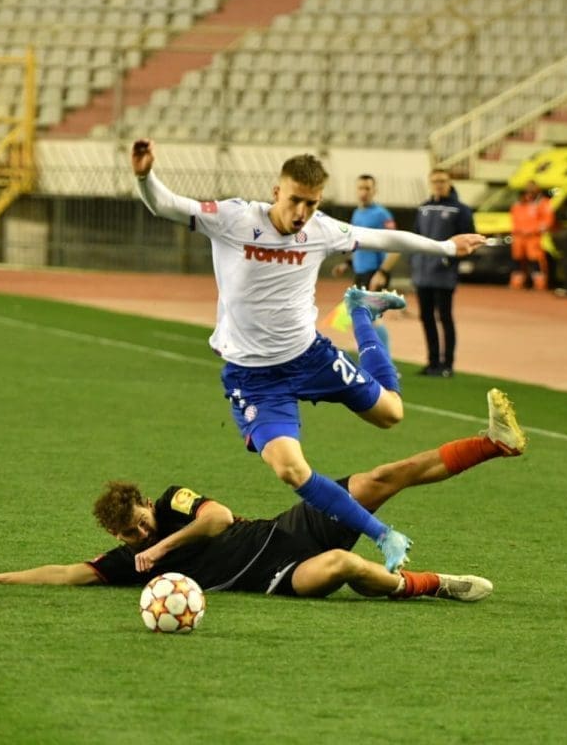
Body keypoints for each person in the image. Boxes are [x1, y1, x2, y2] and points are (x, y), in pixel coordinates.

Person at [130, 140, 486, 571]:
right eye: (295, 199)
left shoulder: (320, 230)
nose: (302, 212)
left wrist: (447, 247)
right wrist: (145, 176)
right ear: (276, 191)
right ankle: (383, 534)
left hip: (309, 357)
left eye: (312, 203)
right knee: (291, 470)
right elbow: (165, 205)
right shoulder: (234, 219)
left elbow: (383, 237)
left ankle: (360, 314)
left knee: (391, 414)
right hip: (255, 377)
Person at [0, 389, 528, 601]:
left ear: (146, 504)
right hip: (278, 578)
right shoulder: (130, 563)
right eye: (127, 535)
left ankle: (493, 444)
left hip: (286, 529)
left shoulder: (174, 504)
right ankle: (431, 585)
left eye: (137, 524)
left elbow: (220, 517)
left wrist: (164, 548)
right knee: (346, 565)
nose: (138, 536)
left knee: (382, 475)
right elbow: (70, 573)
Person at [413, 169, 476, 377]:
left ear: (449, 182)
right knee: (426, 317)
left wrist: (449, 260)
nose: (438, 185)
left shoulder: (460, 210)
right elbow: (416, 237)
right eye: (435, 181)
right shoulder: (424, 208)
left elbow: (468, 240)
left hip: (443, 275)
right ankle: (432, 361)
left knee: (445, 317)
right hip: (423, 274)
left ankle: (447, 363)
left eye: (442, 181)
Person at [331, 174, 401, 358]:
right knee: (361, 318)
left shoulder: (382, 215)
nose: (363, 192)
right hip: (361, 272)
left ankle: (387, 362)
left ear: (374, 190)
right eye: (360, 188)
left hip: (375, 273)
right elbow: (358, 244)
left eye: (367, 188)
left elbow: (396, 246)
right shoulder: (357, 213)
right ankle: (370, 357)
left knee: (373, 319)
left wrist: (382, 272)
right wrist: (346, 263)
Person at [508, 180, 554, 292]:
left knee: (535, 261)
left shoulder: (543, 203)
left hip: (534, 237)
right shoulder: (519, 204)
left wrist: (534, 230)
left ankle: (539, 285)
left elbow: (548, 221)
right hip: (519, 236)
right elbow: (514, 219)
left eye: (531, 190)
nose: (529, 193)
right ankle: (517, 284)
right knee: (517, 261)